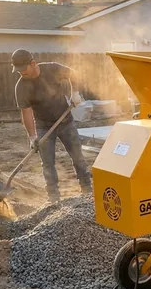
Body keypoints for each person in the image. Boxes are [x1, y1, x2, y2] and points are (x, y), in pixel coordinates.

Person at [12, 48, 92, 204]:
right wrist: (32, 136)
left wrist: (75, 93)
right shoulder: (21, 87)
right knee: (47, 163)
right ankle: (53, 198)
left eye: (24, 69)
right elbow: (26, 113)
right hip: (43, 126)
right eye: (18, 70)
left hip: (65, 121)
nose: (22, 73)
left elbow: (73, 74)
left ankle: (87, 190)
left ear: (33, 63)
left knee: (78, 157)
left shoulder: (52, 69)